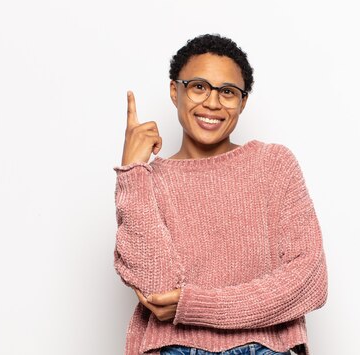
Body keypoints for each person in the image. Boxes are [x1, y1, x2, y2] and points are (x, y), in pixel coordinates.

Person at [112, 33, 328, 355]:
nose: (212, 102)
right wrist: (132, 170)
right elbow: (157, 289)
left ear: (242, 102)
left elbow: (308, 279)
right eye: (199, 86)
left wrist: (196, 305)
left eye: (227, 92)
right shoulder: (147, 182)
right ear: (176, 91)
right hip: (176, 348)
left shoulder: (273, 165)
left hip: (264, 348)